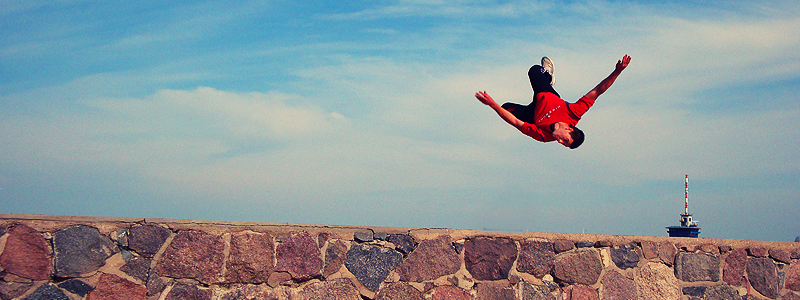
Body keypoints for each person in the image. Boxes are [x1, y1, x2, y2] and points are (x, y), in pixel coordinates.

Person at [475, 55, 631, 149]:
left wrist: (492, 104)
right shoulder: (574, 113)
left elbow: (516, 122)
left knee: (505, 109)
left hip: (532, 116)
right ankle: (548, 77)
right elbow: (597, 91)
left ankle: (543, 81)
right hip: (546, 95)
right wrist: (617, 71)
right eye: (565, 140)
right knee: (534, 70)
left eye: (563, 144)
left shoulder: (544, 136)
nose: (559, 141)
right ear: (569, 129)